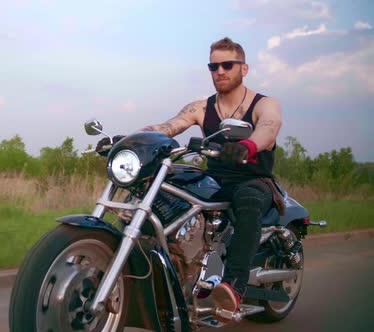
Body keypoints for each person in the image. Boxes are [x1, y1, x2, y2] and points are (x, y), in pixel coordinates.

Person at [98, 37, 282, 321]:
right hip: (214, 179)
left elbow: (269, 127)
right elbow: (167, 127)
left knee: (247, 201)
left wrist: (248, 146)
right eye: (213, 66)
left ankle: (233, 287)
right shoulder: (200, 107)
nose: (219, 71)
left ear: (243, 68)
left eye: (227, 65)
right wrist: (129, 140)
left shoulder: (263, 103)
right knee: (163, 190)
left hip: (253, 179)